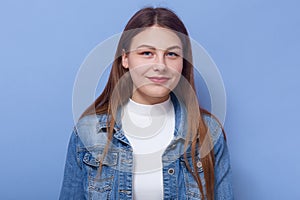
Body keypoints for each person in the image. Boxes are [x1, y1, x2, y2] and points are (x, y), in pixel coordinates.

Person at [59, 7, 233, 200]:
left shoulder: (208, 132)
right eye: (147, 53)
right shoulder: (89, 132)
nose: (160, 65)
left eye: (172, 54)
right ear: (125, 58)